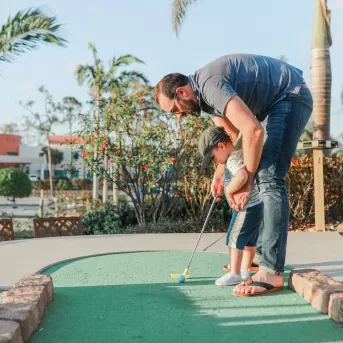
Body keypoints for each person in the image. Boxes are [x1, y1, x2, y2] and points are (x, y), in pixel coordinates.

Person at [154, 53, 313, 296]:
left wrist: (247, 181)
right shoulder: (206, 100)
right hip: (277, 103)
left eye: (174, 109)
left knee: (268, 179)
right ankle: (262, 259)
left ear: (181, 93)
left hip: (289, 96)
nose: (178, 116)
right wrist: (220, 171)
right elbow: (233, 138)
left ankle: (271, 270)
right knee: (261, 176)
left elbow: (253, 131)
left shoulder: (210, 85)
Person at [198, 126, 264, 286]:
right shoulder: (241, 153)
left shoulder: (233, 159)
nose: (215, 162)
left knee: (234, 238)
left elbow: (241, 176)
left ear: (221, 146)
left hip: (245, 208)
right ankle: (245, 271)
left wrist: (228, 190)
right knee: (249, 241)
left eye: (213, 157)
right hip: (256, 206)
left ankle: (234, 273)